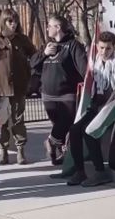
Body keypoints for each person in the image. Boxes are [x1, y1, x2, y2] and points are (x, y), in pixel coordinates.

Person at [67, 31, 115, 187]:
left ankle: (100, 172)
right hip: (96, 104)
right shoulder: (95, 61)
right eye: (102, 48)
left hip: (111, 105)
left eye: (108, 48)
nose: (104, 52)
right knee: (74, 130)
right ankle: (79, 171)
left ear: (113, 47)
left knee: (89, 131)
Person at [31, 14, 87, 167]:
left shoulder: (73, 45)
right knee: (59, 126)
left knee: (65, 122)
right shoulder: (47, 45)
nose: (47, 28)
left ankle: (50, 142)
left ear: (58, 27)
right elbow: (33, 64)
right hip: (48, 94)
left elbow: (84, 68)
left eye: (49, 25)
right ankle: (61, 155)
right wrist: (44, 54)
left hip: (67, 94)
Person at [0, 9, 37, 165]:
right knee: (2, 121)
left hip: (19, 86)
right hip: (1, 87)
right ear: (3, 22)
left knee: (18, 119)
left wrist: (30, 76)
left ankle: (20, 150)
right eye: (9, 21)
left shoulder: (22, 40)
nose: (13, 24)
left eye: (15, 21)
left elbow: (34, 56)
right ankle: (3, 151)